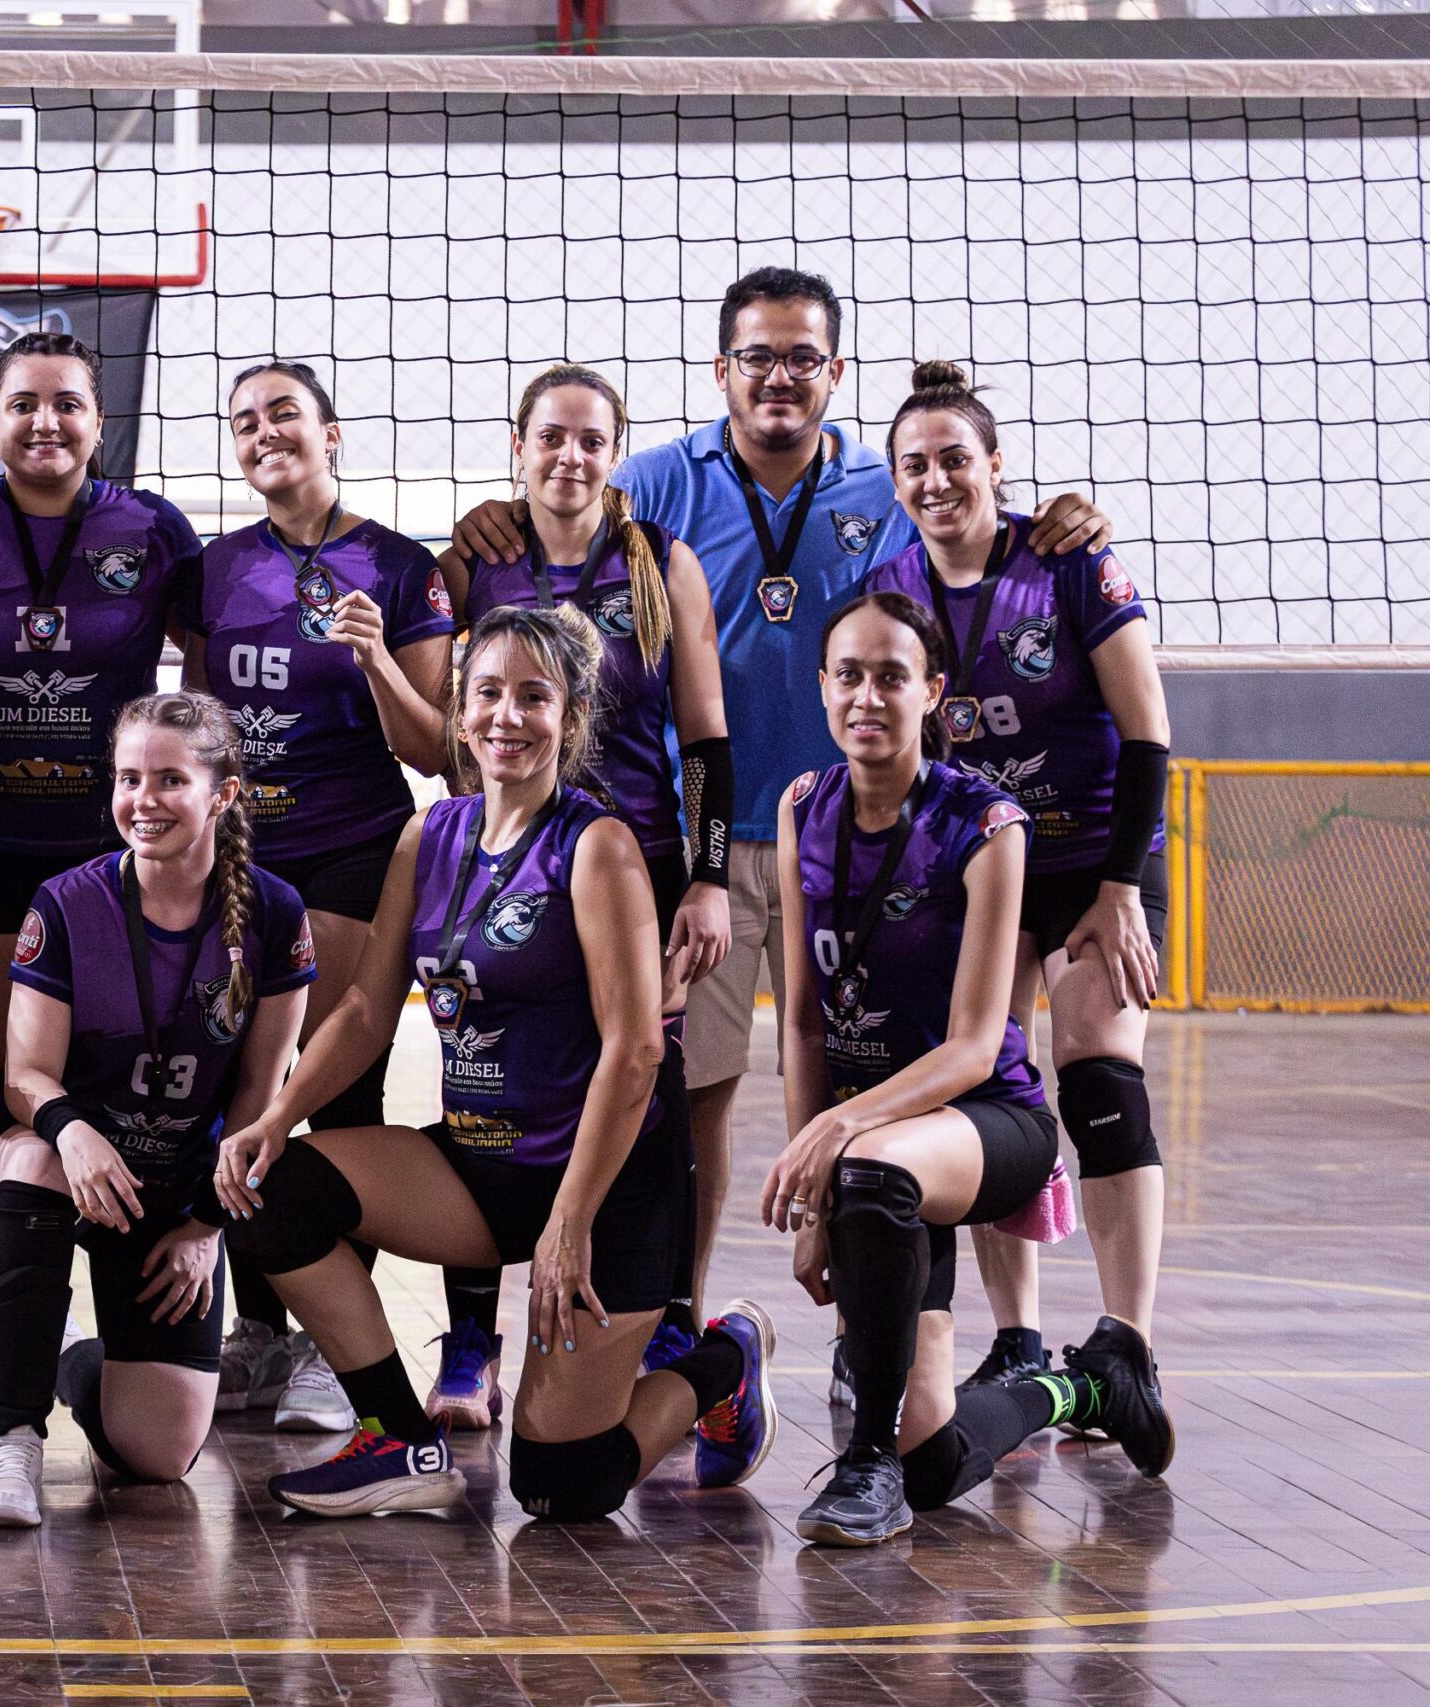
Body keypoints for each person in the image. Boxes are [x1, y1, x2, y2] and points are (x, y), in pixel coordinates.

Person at [446, 269, 1109, 1353]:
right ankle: (680, 1321)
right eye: (757, 355)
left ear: (834, 374)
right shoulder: (655, 485)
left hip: (853, 852)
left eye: (804, 357)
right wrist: (486, 522)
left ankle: (978, 1336)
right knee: (693, 1107)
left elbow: (979, 520)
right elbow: (559, 512)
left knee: (913, 1079)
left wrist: (1065, 523)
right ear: (722, 370)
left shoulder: (880, 481)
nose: (780, 376)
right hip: (697, 848)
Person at [216, 606, 775, 1521]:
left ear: (573, 714)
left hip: (606, 1183)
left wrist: (570, 1220)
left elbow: (636, 1052)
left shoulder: (597, 848)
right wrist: (272, 1119)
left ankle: (726, 1360)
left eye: (533, 696)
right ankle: (399, 1438)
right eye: (487, 694)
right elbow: (362, 1009)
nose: (506, 717)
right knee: (273, 1190)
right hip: (481, 1162)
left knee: (561, 1484)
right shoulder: (428, 834)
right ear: (458, 711)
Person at [767, 592, 1170, 1548]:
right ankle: (1077, 1384)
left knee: (871, 1168)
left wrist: (831, 1136)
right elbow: (803, 1026)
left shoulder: (988, 825)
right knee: (936, 1458)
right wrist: (814, 1189)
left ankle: (862, 1468)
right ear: (823, 688)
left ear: (935, 693)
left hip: (986, 1122)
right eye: (850, 675)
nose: (869, 695)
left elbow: (978, 1045)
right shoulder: (800, 810)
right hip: (880, 1147)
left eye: (893, 677)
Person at [427, 362, 732, 1434]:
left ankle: (674, 1324)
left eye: (592, 441)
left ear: (617, 457)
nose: (570, 457)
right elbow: (438, 735)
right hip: (502, 855)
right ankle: (471, 1339)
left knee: (652, 1074)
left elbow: (703, 737)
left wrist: (706, 876)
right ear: (518, 449)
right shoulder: (473, 565)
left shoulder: (660, 565)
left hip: (632, 865)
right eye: (550, 438)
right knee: (486, 1076)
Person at [0, 332, 204, 1415]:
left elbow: (206, 688)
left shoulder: (153, 528)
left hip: (105, 866)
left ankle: (138, 1318)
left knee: (114, 1085)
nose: (46, 423)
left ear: (99, 418)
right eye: (23, 405)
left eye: (68, 404)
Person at [863, 362, 1173, 1401]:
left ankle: (1126, 1342)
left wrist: (1121, 888)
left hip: (1093, 860)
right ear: (895, 479)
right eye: (915, 464)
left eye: (956, 458)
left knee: (1096, 1073)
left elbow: (1148, 739)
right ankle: (1018, 1338)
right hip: (980, 868)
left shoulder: (1067, 560)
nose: (936, 479)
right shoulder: (894, 588)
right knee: (987, 1082)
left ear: (994, 465)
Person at [0, 691, 314, 1527]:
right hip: (75, 1165)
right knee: (36, 1156)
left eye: (168, 779)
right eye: (127, 778)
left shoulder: (275, 914)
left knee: (158, 1459)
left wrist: (205, 1226)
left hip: (178, 1194)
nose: (142, 800)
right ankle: (10, 1440)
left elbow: (266, 1102)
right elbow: (25, 1075)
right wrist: (73, 1128)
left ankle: (71, 1354)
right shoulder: (66, 903)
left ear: (222, 794)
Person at [186, 359, 453, 1432]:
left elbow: (437, 749)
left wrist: (376, 658)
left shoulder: (395, 566)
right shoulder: (213, 571)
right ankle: (264, 1325)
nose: (264, 433)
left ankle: (329, 1348)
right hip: (245, 859)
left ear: (330, 433)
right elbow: (202, 722)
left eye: (283, 414)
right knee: (244, 1086)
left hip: (355, 850)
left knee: (334, 1088)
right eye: (244, 420)